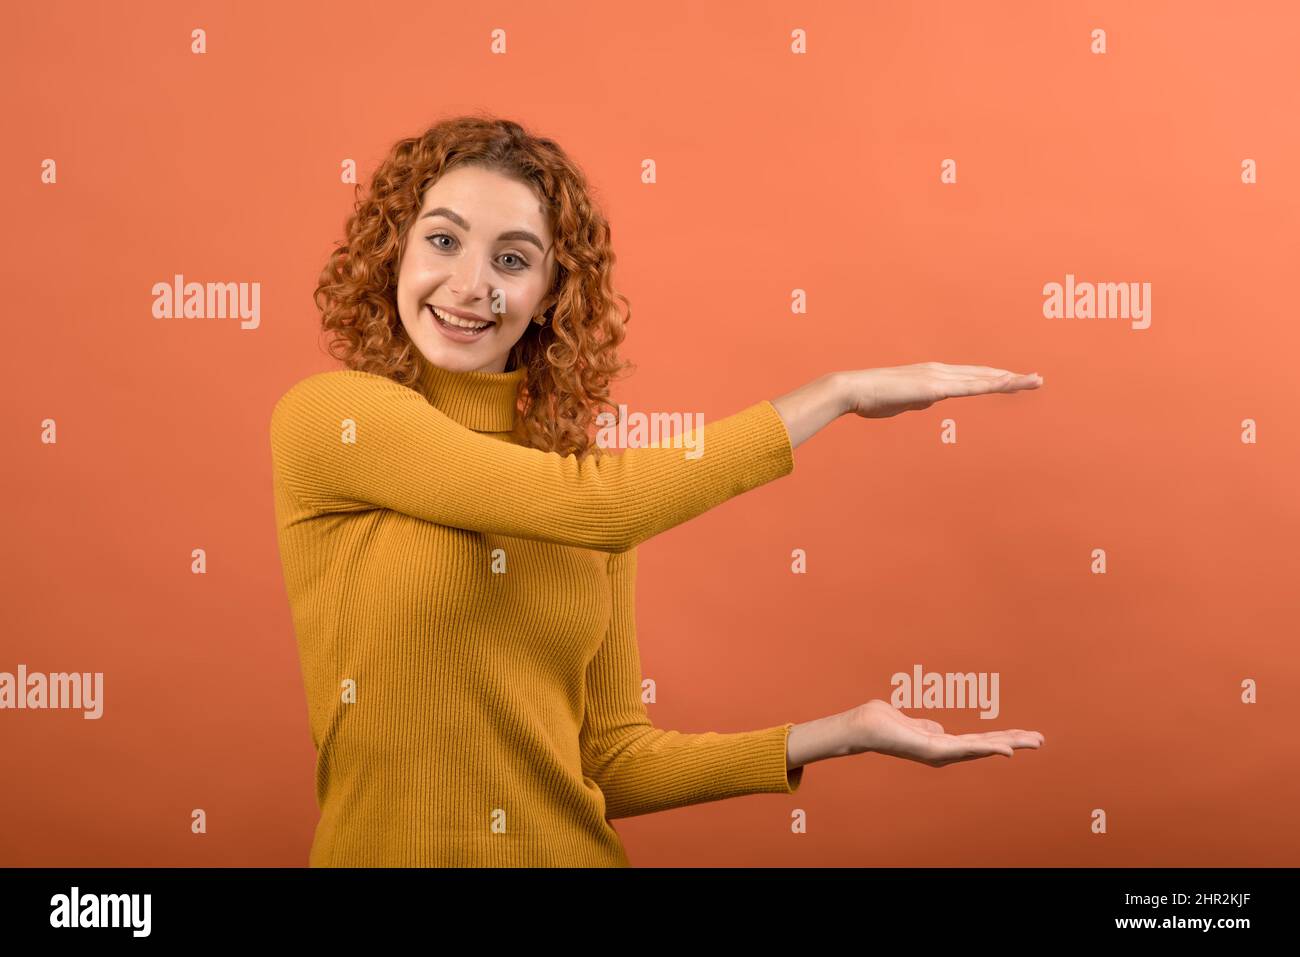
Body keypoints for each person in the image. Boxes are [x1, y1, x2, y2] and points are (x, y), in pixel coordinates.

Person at [269, 115, 1046, 867]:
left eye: (512, 260)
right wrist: (833, 393)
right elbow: (600, 506)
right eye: (443, 240)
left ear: (550, 293)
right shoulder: (334, 422)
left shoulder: (574, 470)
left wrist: (841, 730)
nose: (472, 286)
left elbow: (609, 755)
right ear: (393, 252)